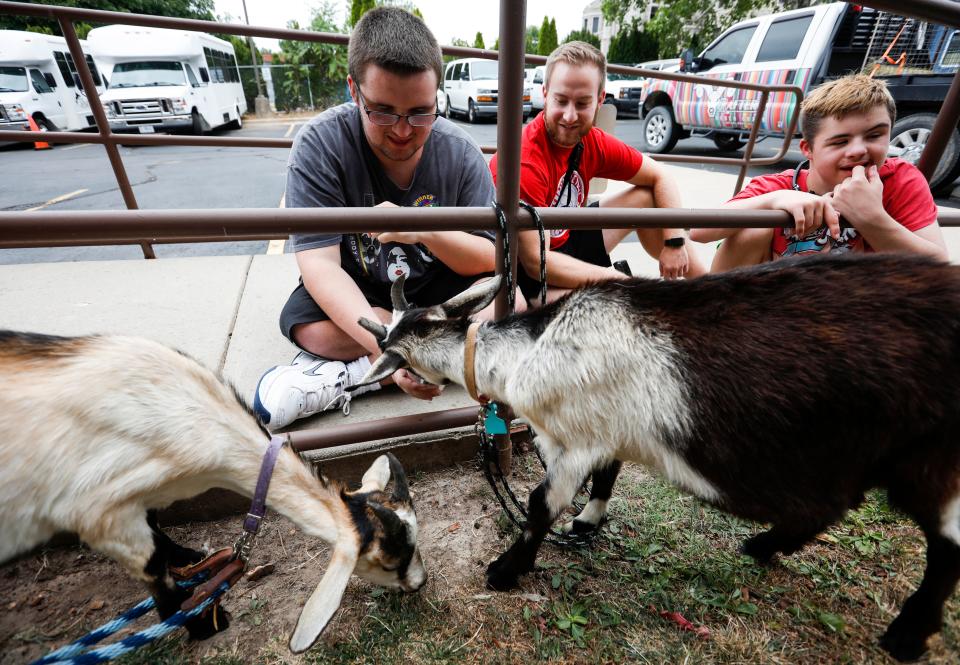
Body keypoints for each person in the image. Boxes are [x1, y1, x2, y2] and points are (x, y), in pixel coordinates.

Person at [254, 7, 501, 430]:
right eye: (383, 112)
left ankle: (358, 373)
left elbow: (491, 258)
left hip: (436, 286)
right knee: (305, 325)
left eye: (421, 113)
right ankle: (420, 357)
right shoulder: (320, 145)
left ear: (438, 95)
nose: (403, 130)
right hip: (364, 286)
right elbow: (319, 265)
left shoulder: (460, 152)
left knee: (503, 298)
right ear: (354, 90)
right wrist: (387, 343)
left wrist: (424, 231)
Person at [489, 41, 705, 305]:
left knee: (647, 199)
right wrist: (615, 280)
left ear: (600, 100)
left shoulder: (592, 140)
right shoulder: (526, 161)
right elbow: (536, 264)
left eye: (582, 103)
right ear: (545, 94)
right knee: (621, 305)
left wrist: (675, 242)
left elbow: (661, 176)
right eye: (561, 100)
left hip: (569, 237)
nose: (569, 116)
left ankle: (712, 290)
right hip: (529, 273)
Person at [693, 74, 948, 269]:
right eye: (840, 142)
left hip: (861, 310)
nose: (858, 150)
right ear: (808, 149)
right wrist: (776, 200)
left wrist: (871, 217)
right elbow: (699, 232)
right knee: (752, 230)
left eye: (875, 135)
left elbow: (938, 268)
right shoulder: (780, 185)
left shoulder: (900, 179)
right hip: (777, 306)